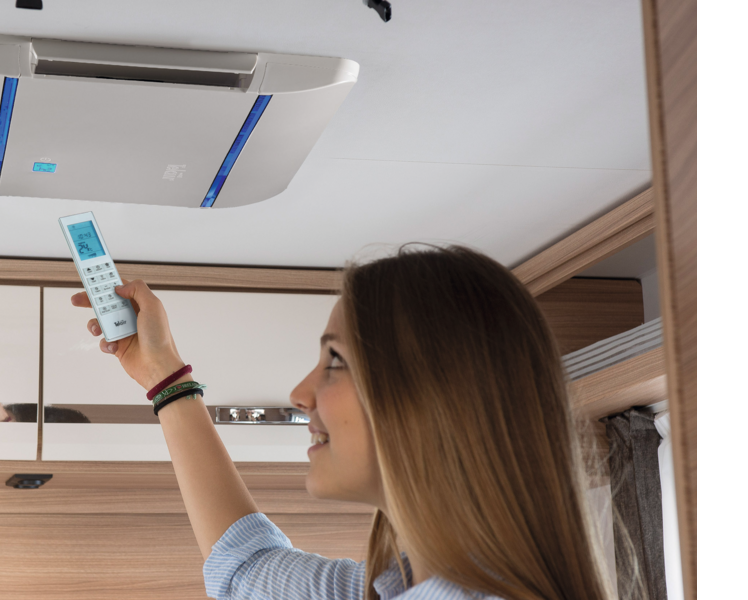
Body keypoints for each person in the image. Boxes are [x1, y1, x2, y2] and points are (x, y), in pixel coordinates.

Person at [71, 245, 613, 600]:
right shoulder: (388, 588)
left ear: (430, 396)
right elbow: (244, 568)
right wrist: (165, 376)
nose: (300, 393)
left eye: (335, 361)